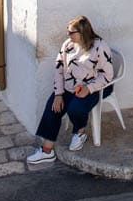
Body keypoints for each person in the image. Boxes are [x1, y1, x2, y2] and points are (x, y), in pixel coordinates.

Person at [26, 16, 115, 164]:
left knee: (75, 108)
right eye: (68, 32)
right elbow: (59, 70)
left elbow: (108, 75)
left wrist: (89, 88)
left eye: (71, 33)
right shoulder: (68, 45)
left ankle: (79, 131)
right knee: (53, 107)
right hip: (70, 86)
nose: (68, 35)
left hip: (96, 87)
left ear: (82, 32)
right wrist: (58, 94)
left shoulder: (100, 47)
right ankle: (47, 151)